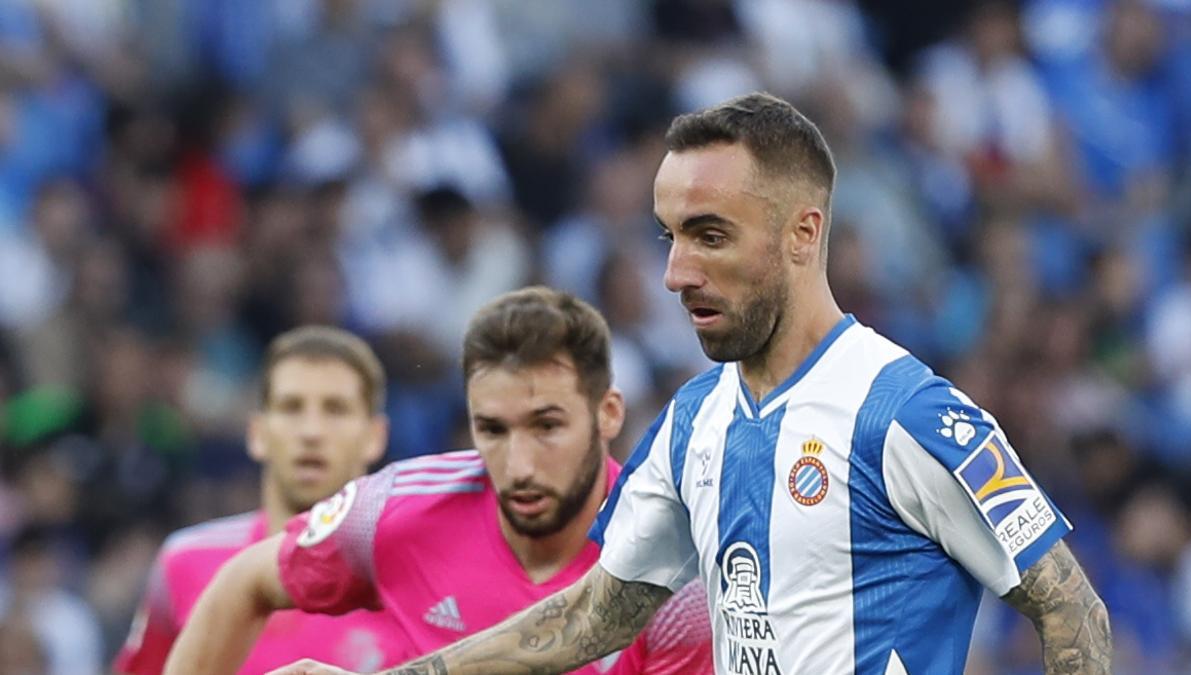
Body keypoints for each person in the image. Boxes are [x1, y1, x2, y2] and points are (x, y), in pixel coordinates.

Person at [271, 92, 1114, 675]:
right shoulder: (692, 420)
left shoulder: (907, 414)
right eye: (670, 235)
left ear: (801, 234)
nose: (675, 272)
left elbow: (1072, 612)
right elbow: (595, 613)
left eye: (709, 235)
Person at [163, 287, 713, 674]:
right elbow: (243, 582)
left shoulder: (677, 575)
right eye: (492, 429)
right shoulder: (394, 512)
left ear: (608, 414)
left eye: (547, 426)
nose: (518, 464)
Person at [113, 326, 404, 674]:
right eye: (291, 407)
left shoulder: (411, 574)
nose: (311, 432)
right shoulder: (184, 562)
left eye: (336, 409)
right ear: (257, 433)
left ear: (375, 436)